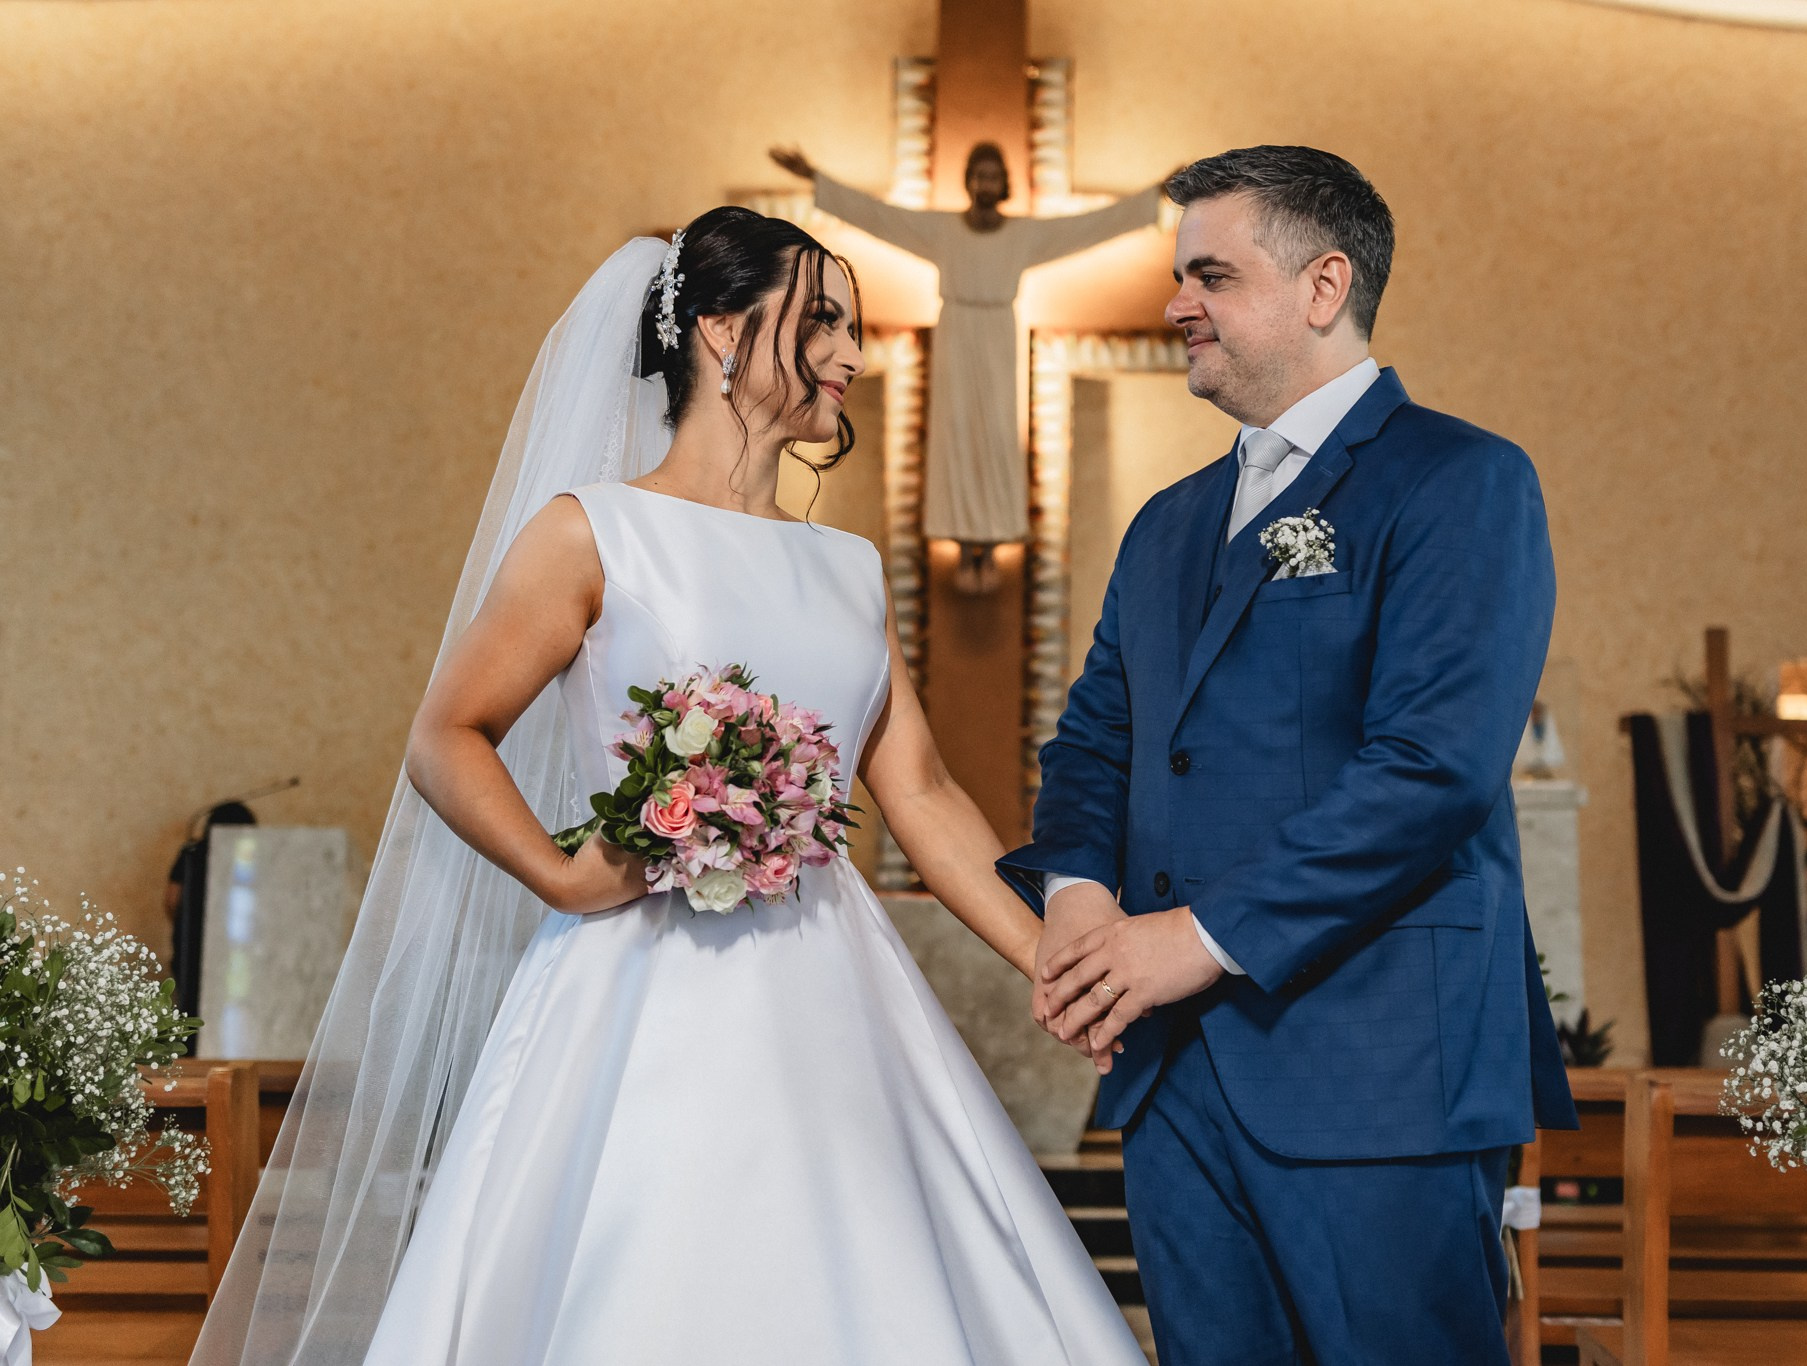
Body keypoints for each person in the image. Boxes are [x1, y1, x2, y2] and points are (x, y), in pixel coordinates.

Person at [191, 208, 1146, 1365]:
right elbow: (447, 735)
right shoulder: (593, 533)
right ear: (722, 332)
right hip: (637, 983)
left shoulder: (845, 567)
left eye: (852, 328)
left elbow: (926, 794)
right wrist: (560, 874)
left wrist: (1051, 959)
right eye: (823, 322)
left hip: (831, 986)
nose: (851, 354)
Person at [999, 145, 1580, 1366]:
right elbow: (1095, 738)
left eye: (1210, 274)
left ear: (1324, 286)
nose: (1176, 304)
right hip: (1173, 1078)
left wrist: (1191, 938)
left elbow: (1430, 768)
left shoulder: (1459, 481)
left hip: (1378, 1070)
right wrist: (1080, 895)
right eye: (1179, 276)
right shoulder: (1164, 526)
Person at [770, 143, 1160, 590]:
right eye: (978, 174)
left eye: (993, 175)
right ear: (969, 180)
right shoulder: (943, 230)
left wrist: (1151, 197)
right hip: (956, 334)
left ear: (1004, 184)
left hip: (998, 336)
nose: (985, 183)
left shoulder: (1023, 235)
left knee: (997, 432)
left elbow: (1086, 227)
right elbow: (881, 216)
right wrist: (815, 178)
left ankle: (991, 542)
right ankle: (959, 536)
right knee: (954, 433)